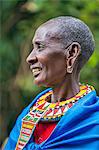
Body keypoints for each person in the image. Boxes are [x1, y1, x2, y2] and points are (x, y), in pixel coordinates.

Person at [4, 16, 99, 150]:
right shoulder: (28, 115)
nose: (29, 58)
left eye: (40, 47)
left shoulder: (94, 122)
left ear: (71, 53)